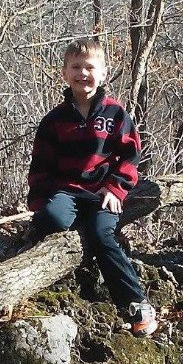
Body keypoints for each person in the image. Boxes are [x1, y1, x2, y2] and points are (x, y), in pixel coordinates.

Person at [27, 38, 158, 337]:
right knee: (51, 219)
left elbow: (130, 156)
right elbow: (40, 167)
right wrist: (40, 201)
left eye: (89, 68)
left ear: (102, 74)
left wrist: (115, 187)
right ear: (64, 73)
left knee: (101, 235)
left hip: (102, 192)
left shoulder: (116, 114)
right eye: (75, 67)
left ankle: (137, 304)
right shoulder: (54, 121)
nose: (82, 73)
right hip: (67, 191)